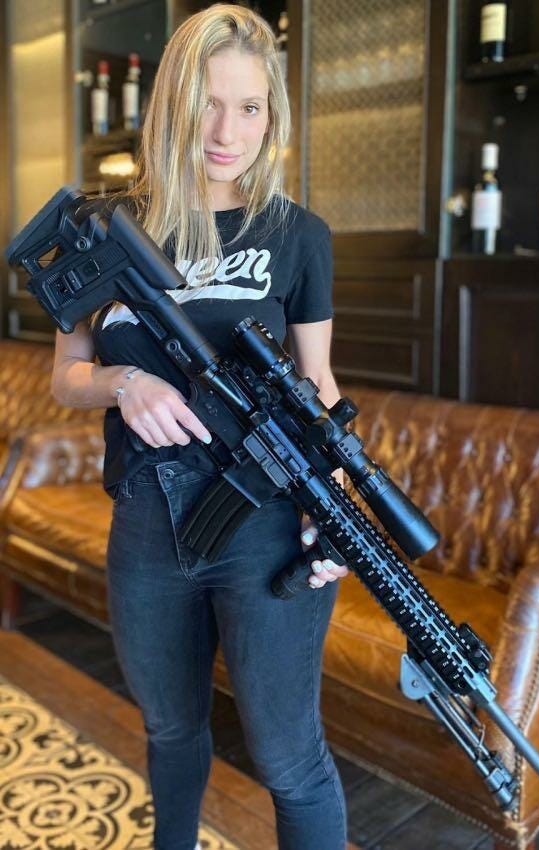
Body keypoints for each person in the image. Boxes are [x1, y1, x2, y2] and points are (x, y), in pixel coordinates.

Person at [51, 5, 349, 850]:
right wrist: (124, 382)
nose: (227, 131)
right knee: (172, 732)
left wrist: (335, 500)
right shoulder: (105, 231)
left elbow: (319, 383)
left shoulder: (297, 236)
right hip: (146, 524)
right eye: (208, 104)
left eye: (249, 107)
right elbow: (66, 376)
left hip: (266, 524)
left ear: (271, 114)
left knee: (289, 760)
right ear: (174, 104)